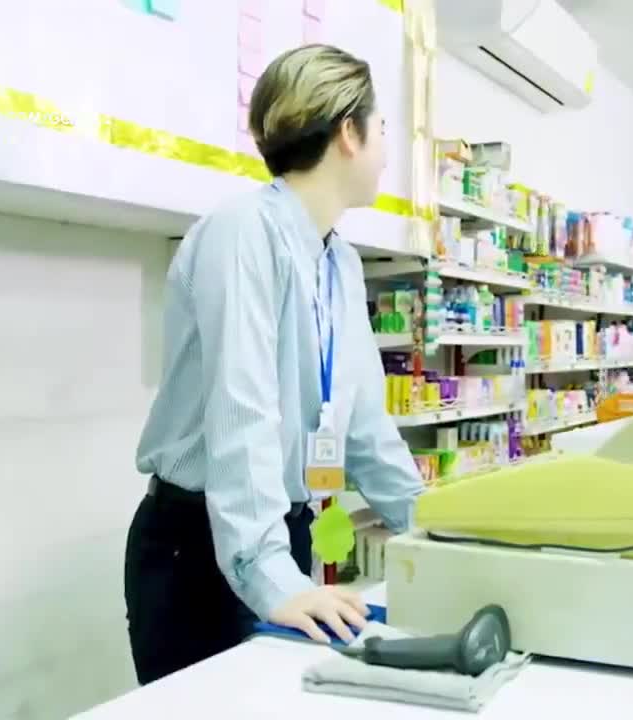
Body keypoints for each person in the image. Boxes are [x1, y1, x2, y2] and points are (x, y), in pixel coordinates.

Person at [124, 44, 424, 686]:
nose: (387, 151)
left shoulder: (340, 261)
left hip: (280, 533)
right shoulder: (241, 231)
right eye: (383, 129)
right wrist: (271, 577)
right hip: (199, 545)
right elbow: (243, 416)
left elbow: (365, 429)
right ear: (349, 133)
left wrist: (439, 529)